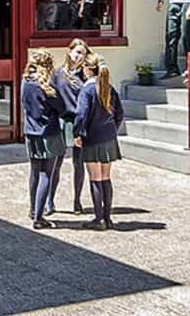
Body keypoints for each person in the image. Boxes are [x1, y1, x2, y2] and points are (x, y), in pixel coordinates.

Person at [74, 53, 124, 231]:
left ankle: (99, 218)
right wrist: (112, 129)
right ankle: (108, 218)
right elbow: (120, 114)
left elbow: (81, 115)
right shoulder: (109, 88)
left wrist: (77, 133)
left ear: (88, 69)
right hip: (109, 138)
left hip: (93, 138)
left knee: (95, 178)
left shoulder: (87, 90)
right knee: (106, 177)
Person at [23, 51, 69, 229]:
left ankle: (33, 209)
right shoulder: (48, 87)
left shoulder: (25, 83)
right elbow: (62, 109)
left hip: (31, 132)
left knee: (34, 172)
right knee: (46, 173)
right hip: (49, 133)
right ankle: (39, 218)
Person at [49, 39, 90, 215]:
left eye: (83, 54)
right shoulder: (57, 74)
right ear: (70, 51)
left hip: (79, 122)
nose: (79, 57)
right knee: (55, 163)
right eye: (77, 52)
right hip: (61, 121)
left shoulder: (85, 76)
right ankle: (49, 201)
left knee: (78, 164)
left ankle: (77, 201)